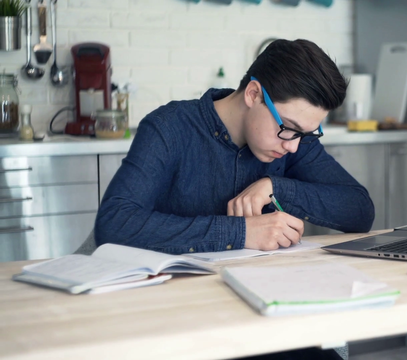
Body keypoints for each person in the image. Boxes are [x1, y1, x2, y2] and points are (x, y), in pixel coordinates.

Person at [94, 39, 375, 254]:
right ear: (253, 94)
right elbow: (114, 224)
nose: (293, 147)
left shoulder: (294, 138)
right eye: (288, 128)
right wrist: (240, 233)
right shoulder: (169, 128)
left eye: (307, 133)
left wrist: (276, 187)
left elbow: (359, 211)